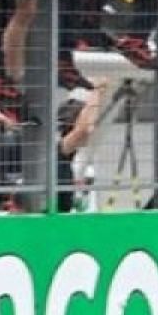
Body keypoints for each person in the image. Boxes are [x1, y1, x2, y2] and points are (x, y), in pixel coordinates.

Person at [55, 78, 108, 213]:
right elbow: (83, 129)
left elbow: (86, 128)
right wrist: (96, 92)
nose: (92, 129)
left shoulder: (76, 154)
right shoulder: (58, 150)